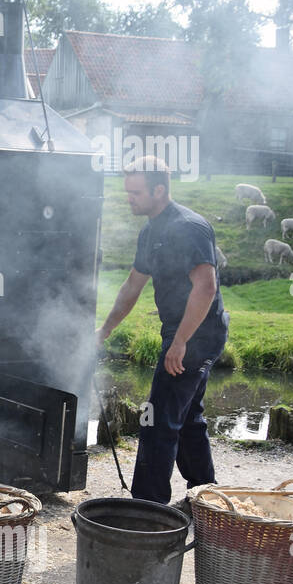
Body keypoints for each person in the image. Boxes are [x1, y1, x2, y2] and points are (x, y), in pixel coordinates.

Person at [98, 156, 229, 504]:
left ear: (160, 190)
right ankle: (205, 494)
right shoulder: (150, 230)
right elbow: (132, 286)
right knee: (186, 417)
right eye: (128, 192)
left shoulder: (190, 227)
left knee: (155, 418)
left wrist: (181, 341)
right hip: (180, 331)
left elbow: (206, 288)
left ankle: (146, 507)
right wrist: (105, 330)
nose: (130, 198)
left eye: (136, 192)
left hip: (199, 334)